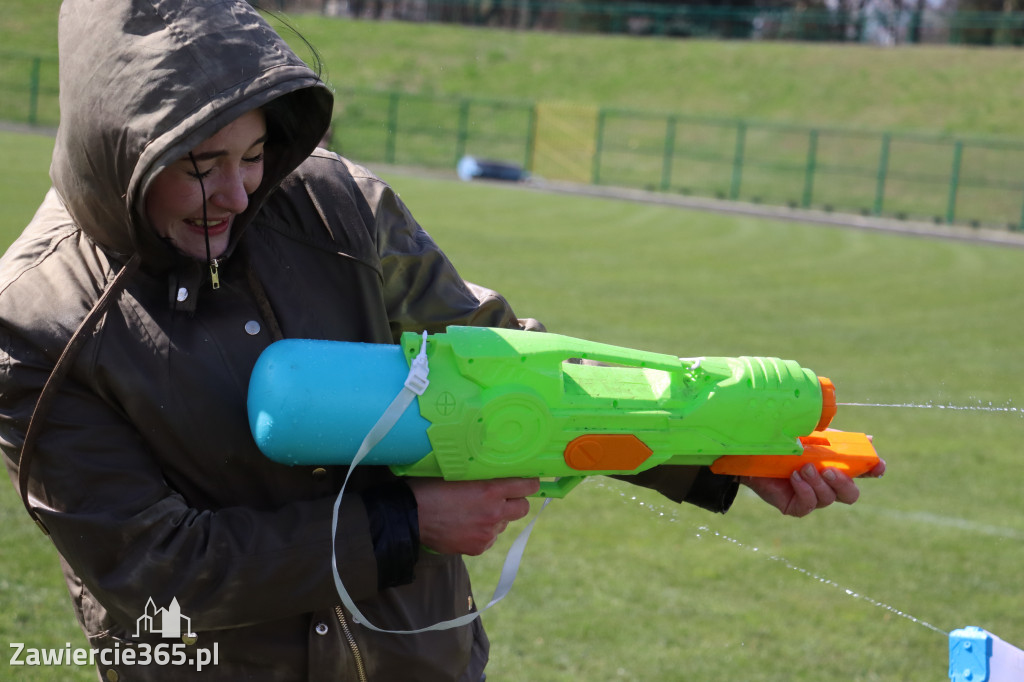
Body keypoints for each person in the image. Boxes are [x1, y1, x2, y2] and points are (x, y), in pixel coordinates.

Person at [0, 1, 884, 680]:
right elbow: (155, 570)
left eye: (255, 152)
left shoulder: (335, 203)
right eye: (200, 165)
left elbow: (512, 367)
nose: (238, 193)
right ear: (120, 151)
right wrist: (407, 522)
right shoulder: (36, 321)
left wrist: (721, 455)